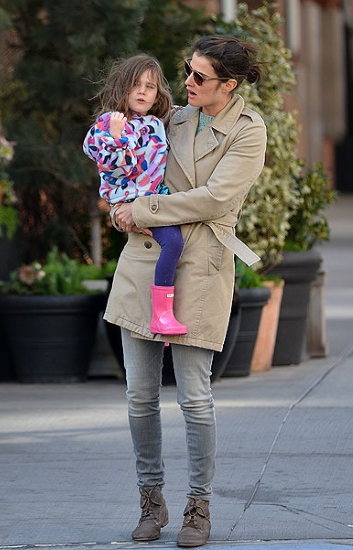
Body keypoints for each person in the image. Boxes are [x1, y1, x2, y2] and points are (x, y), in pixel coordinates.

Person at [107, 36, 267, 547]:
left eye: (200, 76)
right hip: (144, 259)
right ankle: (150, 503)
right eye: (187, 71)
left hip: (201, 266)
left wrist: (144, 210)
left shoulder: (249, 130)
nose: (187, 82)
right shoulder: (170, 118)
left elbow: (216, 198)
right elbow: (126, 168)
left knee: (196, 398)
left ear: (229, 84)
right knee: (139, 396)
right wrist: (116, 207)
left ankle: (199, 507)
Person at [83, 54, 187, 335]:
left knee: (175, 243)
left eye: (150, 86)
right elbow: (111, 168)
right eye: (135, 85)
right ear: (122, 88)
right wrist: (118, 138)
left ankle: (164, 316)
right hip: (131, 200)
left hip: (154, 200)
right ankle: (162, 315)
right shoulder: (109, 123)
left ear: (157, 94)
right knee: (173, 242)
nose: (142, 91)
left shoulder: (154, 123)